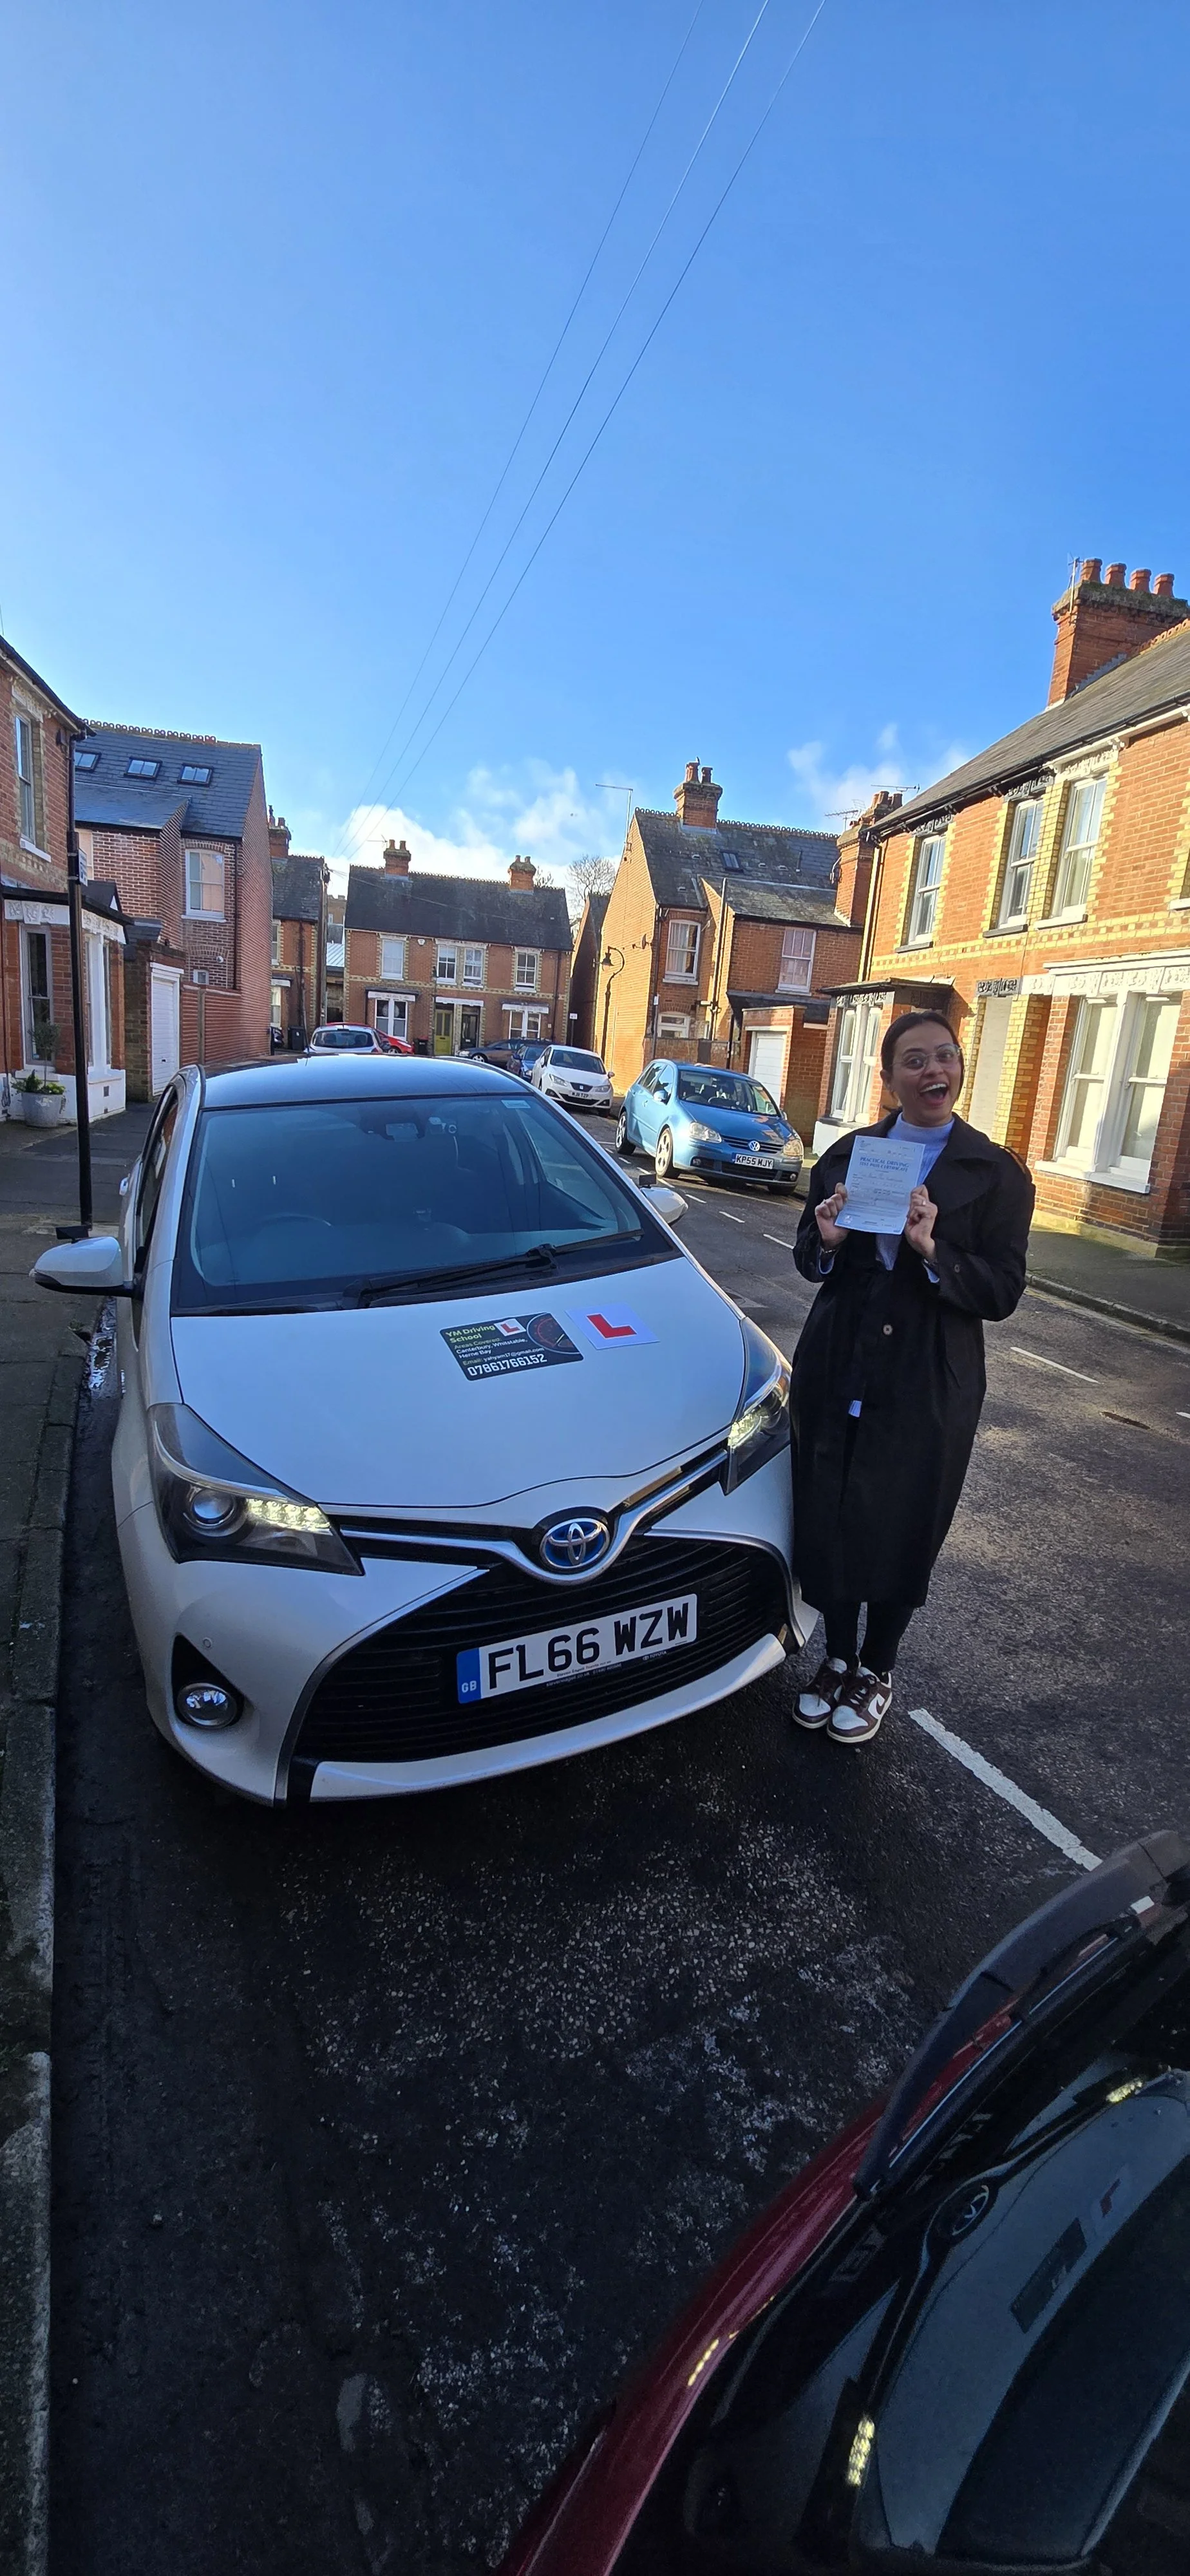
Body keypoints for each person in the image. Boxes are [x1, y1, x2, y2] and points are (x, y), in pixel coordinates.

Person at [789, 1010, 1034, 1747]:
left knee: (902, 1520)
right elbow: (810, 1256)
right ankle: (835, 1656)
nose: (936, 1072)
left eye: (947, 1058)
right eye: (917, 1061)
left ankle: (877, 1668)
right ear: (890, 1077)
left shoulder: (994, 1173)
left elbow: (1002, 1291)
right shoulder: (848, 1154)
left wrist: (932, 1250)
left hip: (929, 1376)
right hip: (840, 1361)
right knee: (829, 1509)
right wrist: (828, 1242)